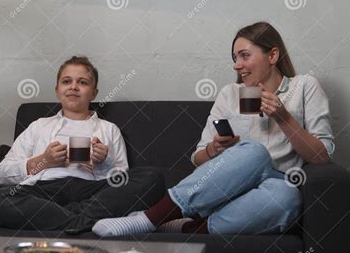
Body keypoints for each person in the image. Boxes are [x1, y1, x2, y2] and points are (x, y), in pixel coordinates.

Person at [92, 21, 335, 237]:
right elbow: (198, 159)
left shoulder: (305, 87)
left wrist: (283, 117)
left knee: (288, 197)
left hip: (272, 186)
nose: (237, 65)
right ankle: (149, 218)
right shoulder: (229, 94)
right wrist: (214, 148)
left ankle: (185, 227)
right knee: (253, 152)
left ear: (272, 56)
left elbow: (321, 156)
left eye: (244, 56)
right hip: (226, 187)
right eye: (234, 58)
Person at [0, 56, 165, 233]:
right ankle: (83, 221)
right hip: (44, 192)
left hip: (92, 192)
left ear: (94, 93)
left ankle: (68, 219)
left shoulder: (109, 129)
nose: (73, 87)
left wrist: (104, 162)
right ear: (57, 90)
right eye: (66, 81)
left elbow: (121, 179)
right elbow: (2, 174)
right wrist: (43, 160)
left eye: (83, 82)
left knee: (153, 177)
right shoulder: (38, 125)